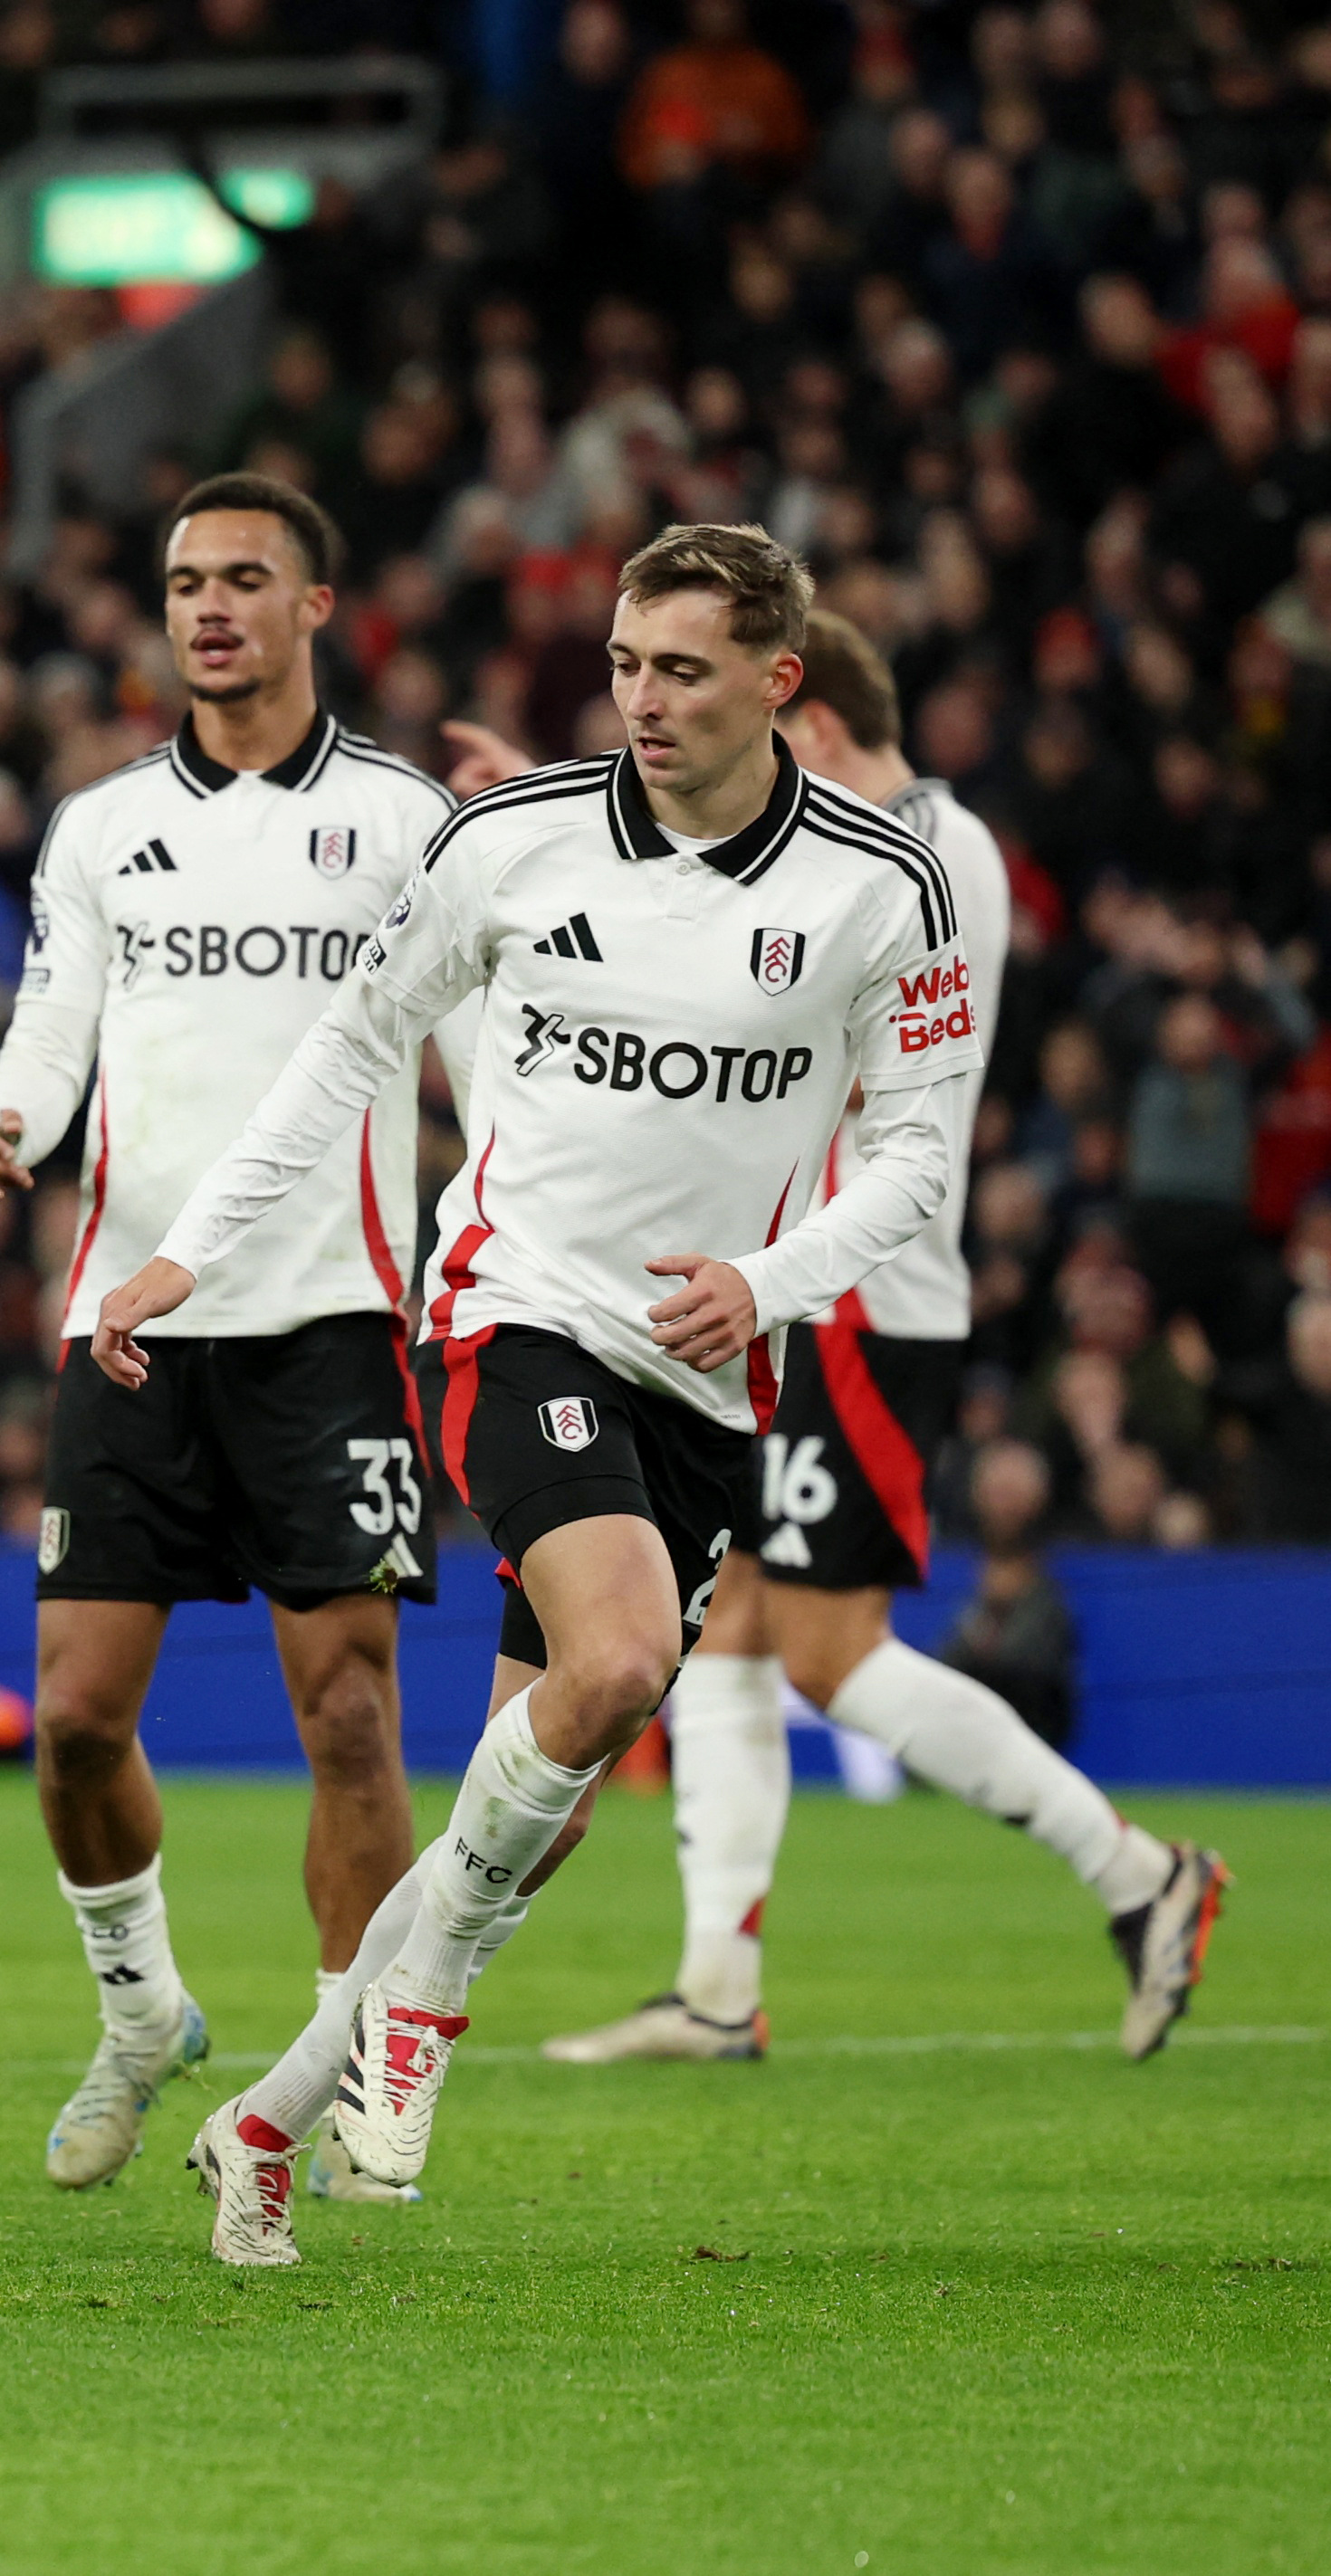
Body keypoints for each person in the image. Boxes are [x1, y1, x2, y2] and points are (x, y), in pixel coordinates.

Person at [101, 524, 985, 2266]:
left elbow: (914, 1162)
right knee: (622, 1660)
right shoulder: (509, 840)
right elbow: (350, 1049)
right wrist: (187, 1254)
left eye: (683, 670)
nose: (641, 701)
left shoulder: (885, 887)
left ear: (776, 682)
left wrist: (769, 1285)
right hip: (517, 1312)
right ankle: (417, 2019)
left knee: (547, 1798)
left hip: (716, 1372)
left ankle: (265, 2121)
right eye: (625, 663)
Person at [496, 617, 1226, 2066]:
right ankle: (713, 1982)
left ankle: (1135, 1870)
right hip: (782, 1293)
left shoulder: (917, 860)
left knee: (826, 1650)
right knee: (732, 1628)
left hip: (855, 1298)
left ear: (804, 718)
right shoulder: (916, 843)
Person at [0, 474, 461, 2197]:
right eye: (184, 583)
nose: (210, 607)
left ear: (320, 606)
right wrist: (0, 1121)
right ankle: (144, 2010)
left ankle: (352, 2070)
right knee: (76, 1723)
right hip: (128, 1322)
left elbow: (497, 1035)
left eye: (246, 579)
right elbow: (54, 1027)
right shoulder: (98, 828)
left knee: (354, 1717)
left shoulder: (406, 821)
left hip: (330, 1320)